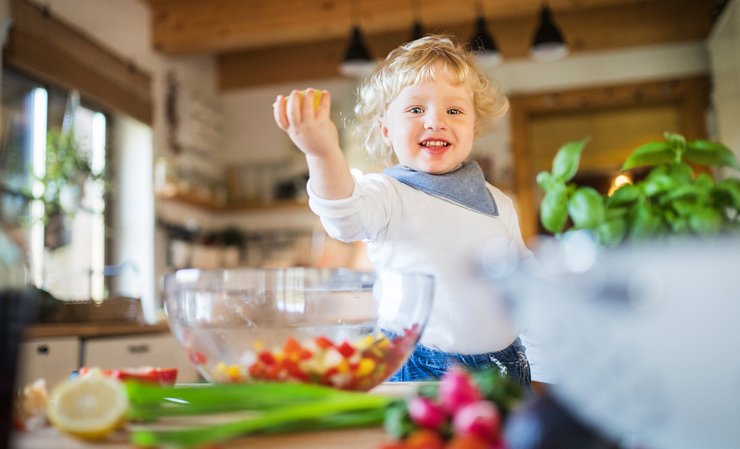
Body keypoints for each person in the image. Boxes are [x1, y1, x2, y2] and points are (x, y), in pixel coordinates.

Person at [273, 35, 535, 386]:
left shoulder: (500, 202)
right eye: (415, 109)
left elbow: (524, 277)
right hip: (418, 364)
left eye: (453, 110)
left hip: (505, 365)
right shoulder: (387, 193)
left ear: (473, 127)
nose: (434, 121)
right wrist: (322, 154)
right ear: (385, 130)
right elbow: (343, 216)